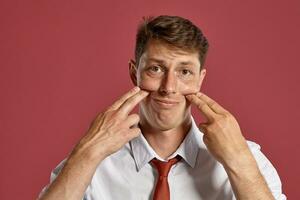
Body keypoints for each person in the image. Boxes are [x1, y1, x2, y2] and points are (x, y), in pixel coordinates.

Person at [38, 15, 286, 200]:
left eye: (185, 72)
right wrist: (89, 153)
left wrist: (239, 160)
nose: (169, 87)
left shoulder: (247, 159)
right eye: (156, 68)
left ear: (200, 80)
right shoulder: (92, 161)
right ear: (134, 73)